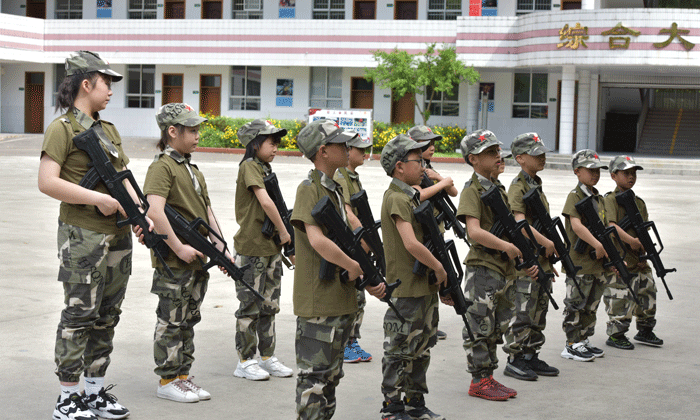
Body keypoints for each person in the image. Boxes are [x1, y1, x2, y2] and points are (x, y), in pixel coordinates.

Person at [38, 50, 132, 420]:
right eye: (106, 82)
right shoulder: (62, 128)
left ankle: (94, 392)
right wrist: (99, 199)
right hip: (83, 237)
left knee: (108, 315)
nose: (110, 90)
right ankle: (67, 397)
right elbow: (47, 182)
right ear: (86, 83)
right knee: (79, 316)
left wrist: (138, 214)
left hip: (117, 237)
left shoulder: (108, 130)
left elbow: (123, 182)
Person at [291, 119, 385, 419]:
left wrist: (365, 268)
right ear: (323, 151)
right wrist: (352, 265)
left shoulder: (333, 188)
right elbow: (316, 240)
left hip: (336, 298)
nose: (347, 148)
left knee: (330, 378)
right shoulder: (309, 189)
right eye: (340, 144)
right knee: (315, 380)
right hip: (318, 301)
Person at [143, 103, 217, 403]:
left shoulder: (192, 169)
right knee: (171, 319)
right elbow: (155, 211)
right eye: (192, 130)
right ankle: (167, 378)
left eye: (198, 129)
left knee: (189, 319)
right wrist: (178, 247)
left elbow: (207, 210)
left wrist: (219, 243)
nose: (198, 135)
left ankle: (183, 376)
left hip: (197, 258)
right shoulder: (162, 167)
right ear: (172, 132)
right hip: (175, 261)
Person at [455, 129, 537, 401]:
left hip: (502, 270)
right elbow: (474, 232)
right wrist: (506, 247)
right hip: (483, 269)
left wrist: (521, 259)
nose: (497, 156)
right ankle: (479, 379)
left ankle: (489, 376)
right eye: (489, 153)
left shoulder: (497, 188)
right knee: (479, 326)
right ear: (473, 159)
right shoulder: (472, 189)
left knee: (497, 326)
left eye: (497, 151)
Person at [378, 134, 447, 420]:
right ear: (398, 167)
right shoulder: (395, 197)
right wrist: (439, 267)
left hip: (422, 287)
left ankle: (415, 401)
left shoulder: (409, 194)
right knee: (399, 350)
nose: (422, 165)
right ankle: (392, 407)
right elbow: (411, 243)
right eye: (416, 160)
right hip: (406, 289)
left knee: (422, 347)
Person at [232, 119, 294, 380]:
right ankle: (245, 360)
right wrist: (284, 232)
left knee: (269, 305)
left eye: (277, 143)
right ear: (255, 143)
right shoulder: (249, 166)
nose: (276, 147)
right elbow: (266, 202)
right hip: (251, 248)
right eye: (271, 142)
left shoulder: (264, 167)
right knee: (249, 307)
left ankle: (267, 357)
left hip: (268, 249)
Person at [502, 133, 560, 381]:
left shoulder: (535, 184)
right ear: (520, 159)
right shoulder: (518, 186)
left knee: (539, 310)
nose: (542, 157)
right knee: (523, 311)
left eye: (542, 152)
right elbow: (519, 223)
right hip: (526, 262)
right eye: (536, 153)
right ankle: (515, 358)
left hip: (541, 260)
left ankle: (530, 355)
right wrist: (547, 242)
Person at [602, 155, 664, 349]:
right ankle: (616, 334)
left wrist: (645, 254)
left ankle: (645, 329)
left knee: (648, 291)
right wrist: (632, 242)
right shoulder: (610, 200)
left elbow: (643, 229)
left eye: (633, 173)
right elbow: (611, 227)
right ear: (613, 176)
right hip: (621, 258)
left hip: (638, 258)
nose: (631, 177)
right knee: (620, 296)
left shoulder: (638, 202)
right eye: (626, 173)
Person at [560, 149, 612, 362]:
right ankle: (571, 343)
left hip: (596, 263)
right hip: (580, 261)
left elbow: (605, 227)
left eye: (598, 170)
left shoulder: (598, 197)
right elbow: (576, 225)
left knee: (591, 303)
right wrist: (596, 244)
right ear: (577, 171)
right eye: (590, 170)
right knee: (576, 302)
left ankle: (584, 338)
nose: (595, 174)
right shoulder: (575, 196)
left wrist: (610, 253)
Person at [407, 125, 457, 341]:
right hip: (422, 231)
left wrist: (438, 178)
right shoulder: (412, 170)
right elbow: (419, 195)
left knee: (436, 278)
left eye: (433, 143)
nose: (432, 147)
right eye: (427, 143)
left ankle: (432, 324)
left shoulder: (428, 169)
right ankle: (422, 324)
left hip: (437, 228)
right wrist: (441, 183)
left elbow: (453, 191)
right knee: (427, 277)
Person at [333, 134, 374, 363]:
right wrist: (363, 239)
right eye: (361, 149)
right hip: (352, 243)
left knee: (359, 297)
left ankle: (352, 341)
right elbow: (347, 211)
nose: (364, 153)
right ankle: (345, 343)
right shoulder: (341, 177)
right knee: (352, 295)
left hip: (358, 242)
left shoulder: (352, 177)